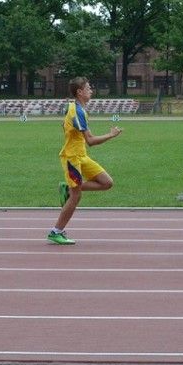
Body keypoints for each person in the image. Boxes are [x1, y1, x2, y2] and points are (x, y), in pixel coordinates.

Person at [48, 77, 123, 245]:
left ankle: (68, 187)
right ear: (80, 92)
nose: (92, 91)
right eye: (89, 88)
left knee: (107, 182)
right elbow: (90, 140)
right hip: (72, 158)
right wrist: (111, 135)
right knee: (76, 196)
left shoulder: (77, 108)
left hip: (81, 156)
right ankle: (56, 231)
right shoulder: (78, 111)